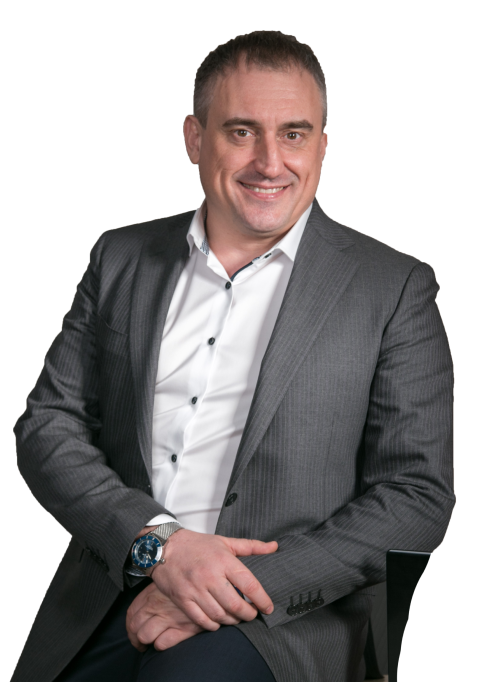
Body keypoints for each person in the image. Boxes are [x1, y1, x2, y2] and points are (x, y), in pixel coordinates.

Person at [12, 30, 455, 682]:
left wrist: (233, 584)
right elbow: (48, 427)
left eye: (294, 134)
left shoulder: (393, 288)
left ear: (322, 145)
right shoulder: (120, 257)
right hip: (112, 582)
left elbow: (415, 498)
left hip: (283, 617)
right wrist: (160, 547)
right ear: (194, 139)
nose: (270, 163)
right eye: (241, 132)